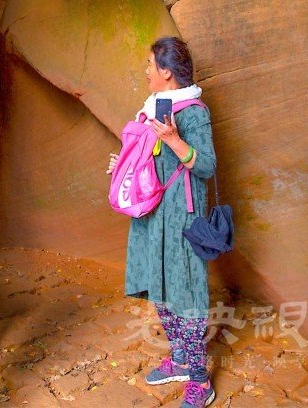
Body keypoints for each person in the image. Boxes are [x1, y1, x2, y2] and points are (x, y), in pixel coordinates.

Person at [107, 36, 217, 408]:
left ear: (167, 72)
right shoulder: (151, 109)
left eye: (151, 65)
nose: (147, 71)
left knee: (187, 295)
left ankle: (200, 381)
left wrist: (173, 140)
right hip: (152, 214)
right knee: (159, 286)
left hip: (182, 220)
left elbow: (206, 166)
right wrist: (125, 165)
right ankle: (181, 359)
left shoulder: (193, 113)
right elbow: (150, 163)